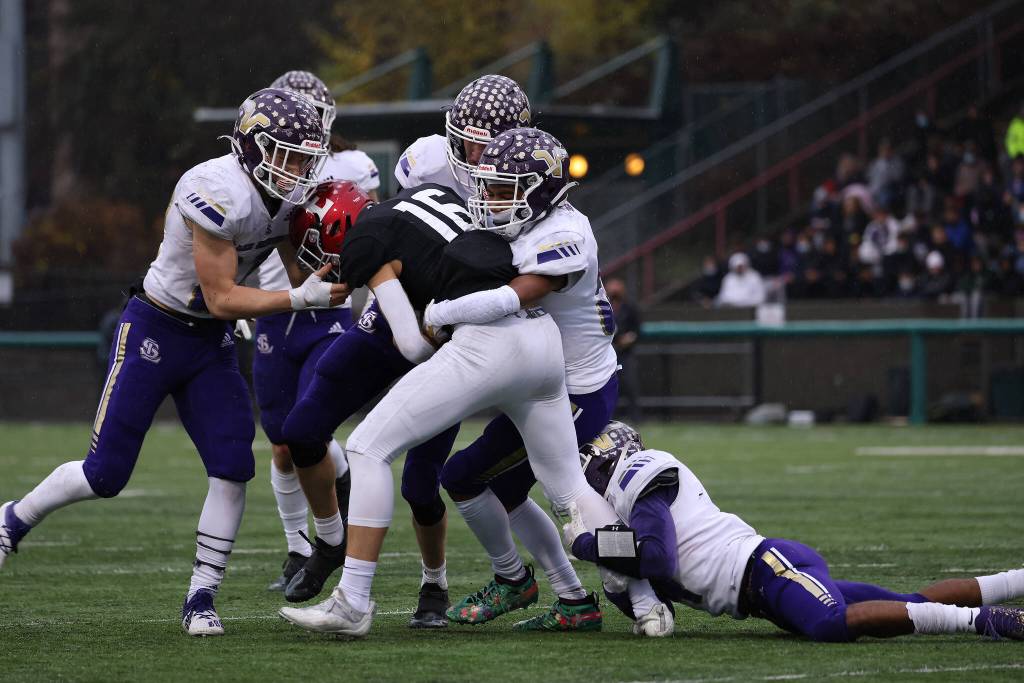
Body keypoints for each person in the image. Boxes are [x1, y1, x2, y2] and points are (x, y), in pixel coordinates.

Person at [0, 88, 344, 637]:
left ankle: (200, 596)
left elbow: (299, 276)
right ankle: (12, 520)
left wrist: (332, 251)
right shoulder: (215, 188)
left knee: (233, 465)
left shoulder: (288, 197)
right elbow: (222, 297)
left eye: (305, 157)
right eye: (286, 155)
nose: (297, 169)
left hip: (209, 344)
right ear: (253, 148)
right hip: (156, 329)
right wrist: (295, 301)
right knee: (105, 474)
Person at [277, 129, 628, 638]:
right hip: (545, 347)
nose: (487, 198)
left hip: (491, 344)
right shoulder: (442, 197)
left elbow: (416, 347)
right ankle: (634, 582)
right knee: (567, 487)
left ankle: (352, 600)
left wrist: (435, 316)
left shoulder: (366, 240)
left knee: (368, 448)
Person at [271, 75, 535, 629]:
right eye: (470, 141)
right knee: (302, 428)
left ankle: (433, 584)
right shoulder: (427, 164)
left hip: (452, 332)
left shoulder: (531, 180)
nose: (480, 155)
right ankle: (330, 543)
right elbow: (392, 244)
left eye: (493, 142)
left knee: (421, 481)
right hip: (396, 304)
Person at [422, 129, 658, 631]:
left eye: (505, 187)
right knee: (497, 485)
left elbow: (513, 297)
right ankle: (574, 600)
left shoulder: (564, 235)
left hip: (576, 389)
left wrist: (442, 311)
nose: (490, 198)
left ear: (542, 189)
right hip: (546, 383)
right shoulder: (534, 222)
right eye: (488, 186)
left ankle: (640, 595)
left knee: (562, 493)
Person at [564, 421, 1024, 641]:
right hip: (761, 589)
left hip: (766, 570)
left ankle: (988, 621)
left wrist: (588, 545)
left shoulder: (638, 470)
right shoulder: (626, 514)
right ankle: (1016, 581)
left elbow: (658, 556)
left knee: (830, 624)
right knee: (913, 603)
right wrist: (619, 583)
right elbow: (657, 599)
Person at [254, 71, 377, 593]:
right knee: (282, 443)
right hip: (271, 307)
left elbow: (368, 235)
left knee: (310, 428)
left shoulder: (350, 169)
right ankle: (298, 544)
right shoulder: (255, 170)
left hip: (328, 306)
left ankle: (329, 532)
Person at [270, 70, 381, 202]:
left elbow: (371, 216)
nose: (305, 123)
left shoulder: (354, 164)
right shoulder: (261, 160)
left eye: (315, 113)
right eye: (294, 114)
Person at [604, 278, 641, 424]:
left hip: (626, 353)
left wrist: (629, 339)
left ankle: (636, 418)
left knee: (631, 385)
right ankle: (610, 417)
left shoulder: (630, 308)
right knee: (609, 386)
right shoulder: (603, 307)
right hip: (607, 353)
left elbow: (637, 330)